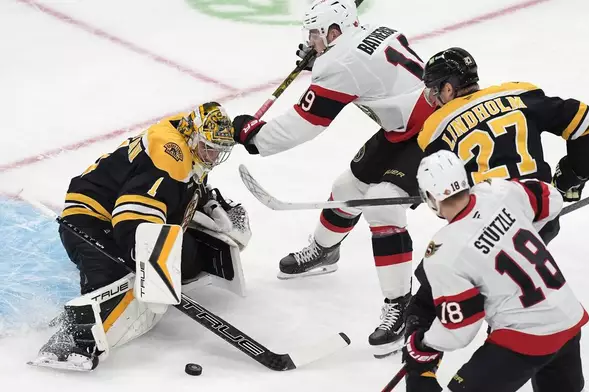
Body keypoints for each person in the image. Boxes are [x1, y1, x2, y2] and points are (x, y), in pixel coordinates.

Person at [231, 0, 435, 357]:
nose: (311, 40)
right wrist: (321, 60)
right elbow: (369, 70)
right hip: (403, 128)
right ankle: (325, 251)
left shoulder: (339, 61)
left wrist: (255, 138)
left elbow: (307, 123)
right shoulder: (370, 34)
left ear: (334, 30)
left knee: (381, 207)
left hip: (436, 134)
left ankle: (401, 306)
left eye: (315, 33)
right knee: (347, 189)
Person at [30, 102, 252, 371]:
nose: (213, 157)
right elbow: (131, 216)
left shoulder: (187, 138)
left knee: (188, 259)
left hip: (122, 213)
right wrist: (147, 260)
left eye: (219, 151)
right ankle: (72, 341)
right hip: (90, 217)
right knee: (113, 276)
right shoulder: (170, 157)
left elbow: (177, 186)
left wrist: (210, 202)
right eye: (209, 148)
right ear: (194, 135)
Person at [401, 150, 588, 392]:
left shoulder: (443, 252)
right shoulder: (498, 191)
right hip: (567, 316)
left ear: (430, 198)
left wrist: (423, 345)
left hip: (525, 337)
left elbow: (460, 330)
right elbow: (551, 199)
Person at [417, 47, 589, 244]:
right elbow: (587, 121)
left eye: (434, 91)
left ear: (448, 89)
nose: (434, 100)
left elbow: (443, 195)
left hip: (488, 229)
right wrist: (572, 176)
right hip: (542, 210)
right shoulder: (517, 94)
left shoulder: (435, 128)